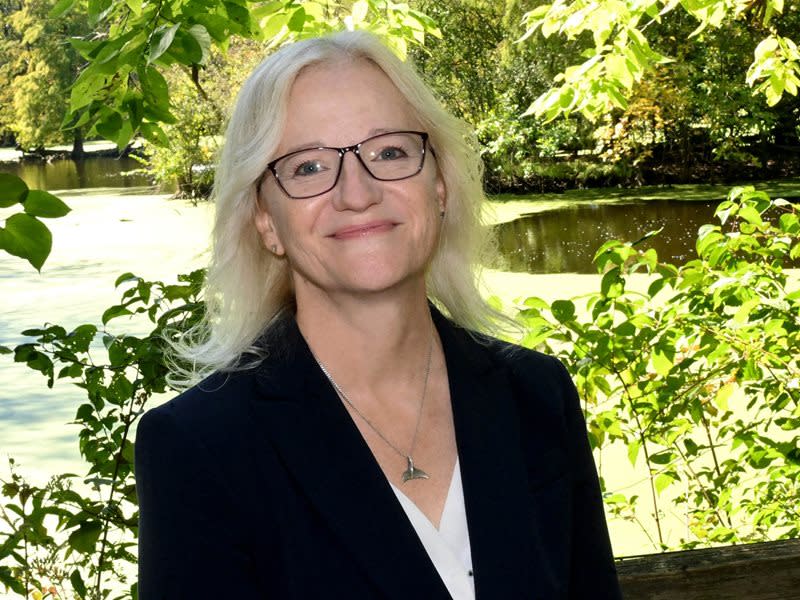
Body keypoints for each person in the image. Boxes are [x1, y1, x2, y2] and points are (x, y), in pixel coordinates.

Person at [134, 30, 622, 599]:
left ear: (438, 185)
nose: (358, 191)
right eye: (309, 166)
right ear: (266, 221)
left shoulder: (536, 395)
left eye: (389, 151)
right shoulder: (199, 447)